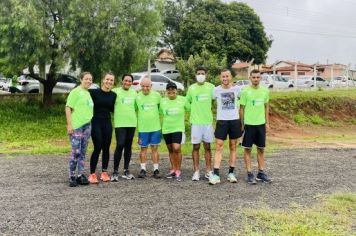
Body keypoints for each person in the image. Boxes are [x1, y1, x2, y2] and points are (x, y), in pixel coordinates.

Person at [209, 69, 242, 185]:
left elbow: (243, 103)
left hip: (234, 121)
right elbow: (211, 104)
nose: (225, 79)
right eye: (223, 77)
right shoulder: (216, 90)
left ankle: (231, 173)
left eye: (227, 76)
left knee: (233, 146)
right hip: (221, 121)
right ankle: (216, 174)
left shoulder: (237, 89)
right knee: (219, 146)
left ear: (231, 77)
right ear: (220, 78)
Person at [240, 69, 272, 184]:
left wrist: (267, 123)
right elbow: (241, 108)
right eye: (253, 77)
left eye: (258, 77)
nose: (256, 79)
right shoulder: (244, 91)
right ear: (250, 78)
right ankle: (249, 173)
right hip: (249, 125)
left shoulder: (265, 91)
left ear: (260, 78)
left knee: (261, 149)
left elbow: (266, 107)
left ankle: (261, 173)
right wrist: (242, 124)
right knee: (247, 149)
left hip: (261, 124)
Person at [65, 72, 94, 187]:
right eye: (86, 79)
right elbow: (68, 108)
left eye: (90, 79)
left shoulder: (88, 93)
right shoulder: (75, 92)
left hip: (87, 125)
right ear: (81, 79)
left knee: (83, 151)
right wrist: (69, 125)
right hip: (77, 126)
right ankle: (72, 175)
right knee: (75, 152)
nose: (88, 81)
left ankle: (80, 175)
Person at [186, 66, 215, 181]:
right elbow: (187, 101)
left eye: (202, 73)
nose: (200, 75)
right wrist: (193, 109)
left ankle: (208, 171)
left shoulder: (211, 87)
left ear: (206, 74)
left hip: (207, 122)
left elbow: (215, 100)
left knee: (208, 146)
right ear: (195, 75)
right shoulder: (191, 88)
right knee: (196, 147)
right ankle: (196, 171)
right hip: (196, 123)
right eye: (198, 73)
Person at [87, 72, 117, 184]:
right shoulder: (93, 92)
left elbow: (114, 109)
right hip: (96, 122)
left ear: (113, 82)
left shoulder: (114, 95)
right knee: (98, 146)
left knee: (106, 147)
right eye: (107, 79)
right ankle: (92, 174)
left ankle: (104, 172)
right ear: (103, 80)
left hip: (107, 122)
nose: (109, 82)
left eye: (111, 80)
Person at [160, 82, 190, 181]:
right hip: (166, 129)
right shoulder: (162, 101)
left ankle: (178, 170)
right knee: (170, 150)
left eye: (173, 89)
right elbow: (160, 112)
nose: (171, 91)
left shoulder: (183, 99)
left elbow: (190, 109)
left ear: (176, 90)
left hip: (178, 128)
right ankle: (173, 169)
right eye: (169, 89)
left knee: (176, 148)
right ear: (166, 91)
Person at [111, 74, 137, 181]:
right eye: (125, 80)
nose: (127, 83)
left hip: (131, 123)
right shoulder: (115, 92)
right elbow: (110, 105)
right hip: (120, 124)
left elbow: (136, 107)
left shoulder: (135, 93)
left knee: (128, 146)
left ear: (132, 83)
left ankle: (126, 170)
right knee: (120, 144)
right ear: (122, 81)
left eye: (129, 81)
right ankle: (115, 171)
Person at [135, 77, 162, 178]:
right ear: (140, 86)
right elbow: (135, 109)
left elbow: (159, 108)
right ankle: (143, 169)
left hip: (155, 127)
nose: (145, 88)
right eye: (143, 86)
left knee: (155, 148)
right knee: (143, 149)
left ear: (151, 86)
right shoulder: (137, 97)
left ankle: (156, 169)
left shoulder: (157, 95)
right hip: (143, 128)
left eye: (147, 86)